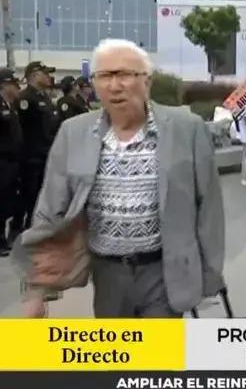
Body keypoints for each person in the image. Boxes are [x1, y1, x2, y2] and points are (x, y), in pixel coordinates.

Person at [13, 38, 225, 318]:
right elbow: (49, 210)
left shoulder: (187, 129)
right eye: (104, 76)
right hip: (107, 273)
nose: (114, 86)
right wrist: (35, 291)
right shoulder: (73, 132)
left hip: (164, 270)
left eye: (125, 74)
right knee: (115, 357)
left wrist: (210, 276)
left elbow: (208, 208)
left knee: (156, 359)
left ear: (146, 81)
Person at [13, 61, 60, 232]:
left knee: (39, 195)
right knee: (27, 194)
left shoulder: (44, 97)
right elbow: (21, 129)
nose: (49, 77)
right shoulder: (25, 98)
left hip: (45, 154)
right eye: (45, 73)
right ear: (33, 75)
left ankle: (31, 226)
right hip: (30, 156)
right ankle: (16, 227)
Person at [0, 69, 23, 257]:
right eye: (13, 84)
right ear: (4, 85)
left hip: (11, 162)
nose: (17, 88)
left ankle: (2, 237)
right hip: (2, 162)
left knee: (7, 202)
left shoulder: (11, 105)